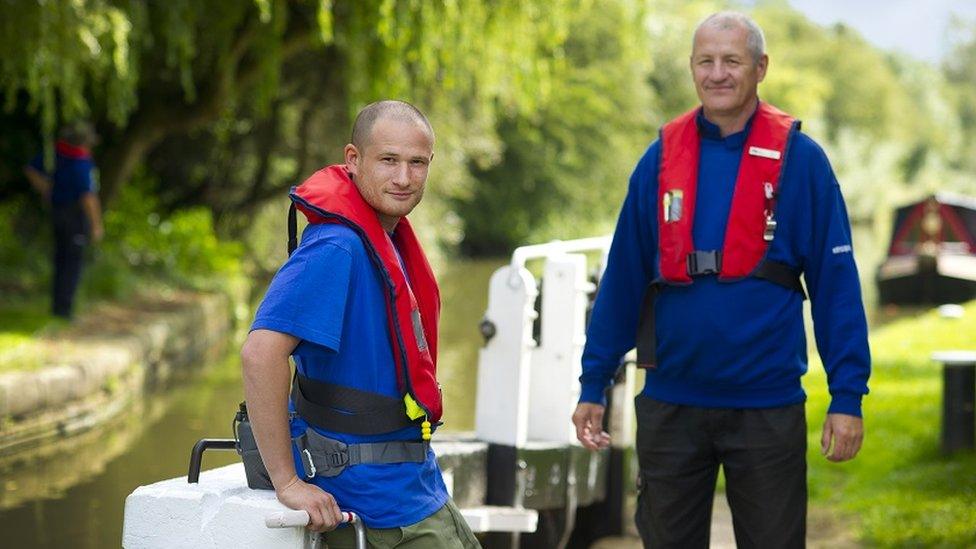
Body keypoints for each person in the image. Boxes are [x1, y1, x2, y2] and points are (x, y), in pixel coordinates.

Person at [571, 11, 871, 548]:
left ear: (760, 67)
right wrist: (594, 382)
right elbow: (622, 281)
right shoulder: (660, 160)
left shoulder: (801, 162)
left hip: (767, 406)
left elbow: (837, 288)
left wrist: (847, 396)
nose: (717, 74)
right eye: (705, 61)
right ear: (691, 68)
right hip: (672, 405)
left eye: (731, 61)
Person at [240, 100, 479, 548]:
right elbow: (260, 353)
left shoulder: (387, 239)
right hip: (375, 505)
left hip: (415, 488)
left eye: (417, 163)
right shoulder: (338, 248)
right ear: (353, 160)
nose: (404, 178)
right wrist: (288, 483)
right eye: (388, 160)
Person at [23, 121, 104, 319]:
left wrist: (46, 188)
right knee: (72, 262)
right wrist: (96, 225)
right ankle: (64, 310)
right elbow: (88, 197)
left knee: (61, 259)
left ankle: (57, 307)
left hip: (57, 212)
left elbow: (30, 169)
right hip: (74, 216)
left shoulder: (56, 156)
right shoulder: (81, 163)